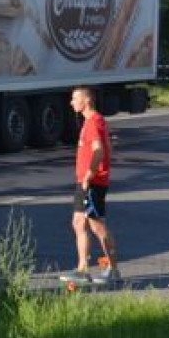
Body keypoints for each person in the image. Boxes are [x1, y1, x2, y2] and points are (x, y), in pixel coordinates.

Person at [61, 86, 120, 283]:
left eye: (74, 98)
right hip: (87, 182)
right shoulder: (93, 121)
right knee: (78, 222)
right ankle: (83, 269)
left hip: (92, 183)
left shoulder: (93, 122)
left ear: (86, 101)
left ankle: (113, 269)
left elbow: (99, 150)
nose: (71, 102)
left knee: (97, 226)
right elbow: (108, 148)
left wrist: (89, 175)